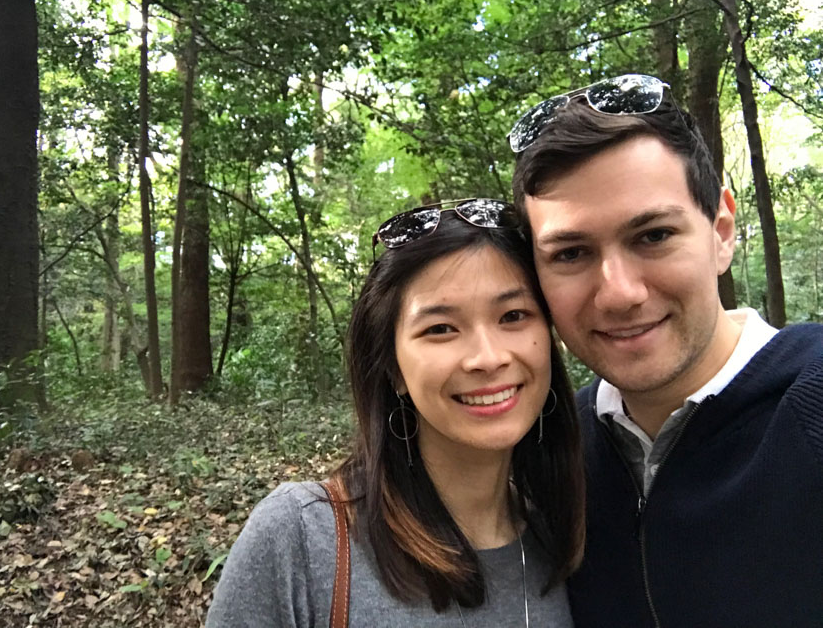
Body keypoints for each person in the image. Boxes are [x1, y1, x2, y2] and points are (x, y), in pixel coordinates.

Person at [508, 74, 823, 628]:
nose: (620, 293)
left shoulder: (811, 404)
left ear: (721, 232)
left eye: (652, 236)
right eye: (571, 253)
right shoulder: (548, 452)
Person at [206, 199, 585, 627]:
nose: (488, 357)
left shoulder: (563, 538)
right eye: (441, 328)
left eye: (513, 315)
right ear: (393, 368)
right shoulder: (301, 538)